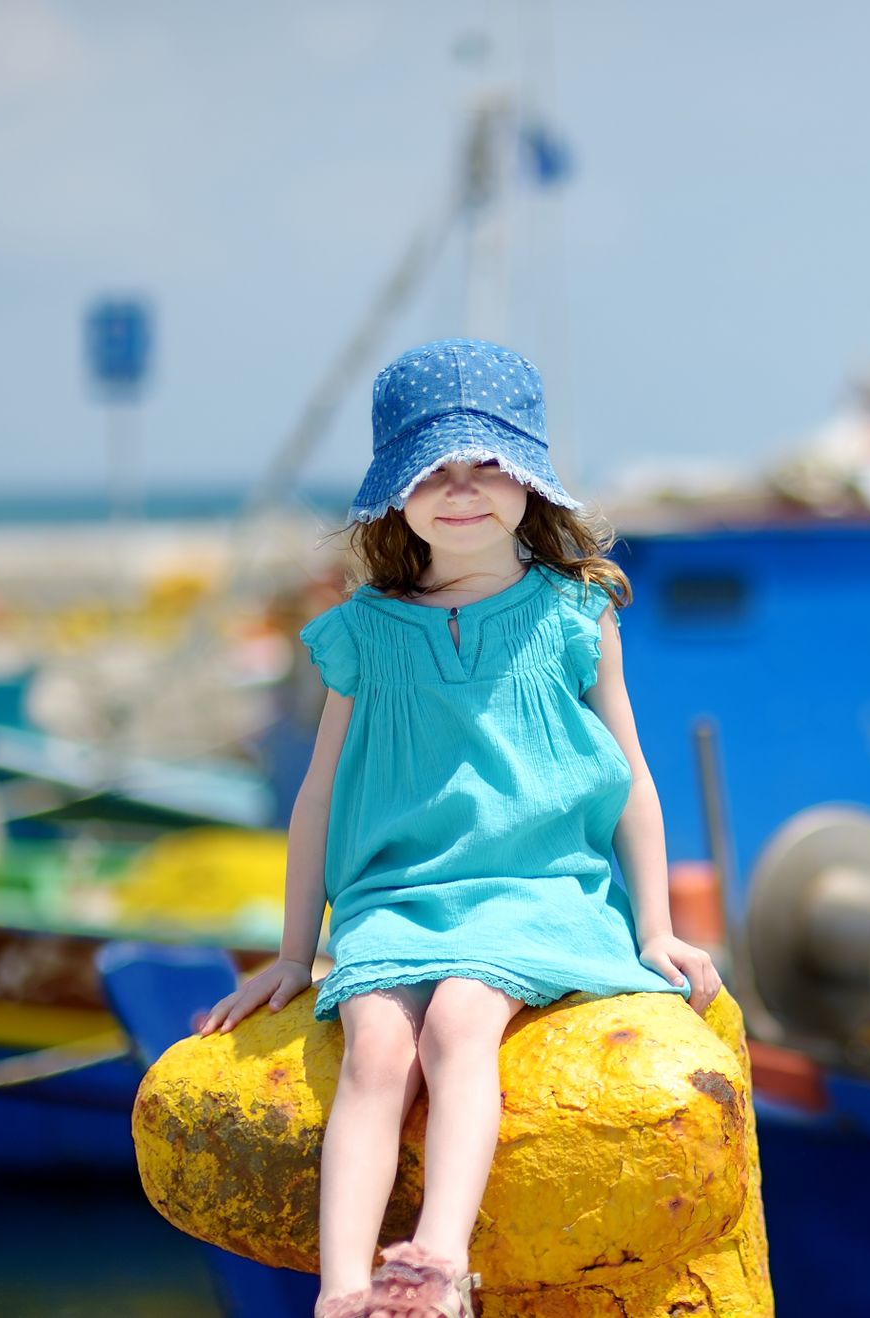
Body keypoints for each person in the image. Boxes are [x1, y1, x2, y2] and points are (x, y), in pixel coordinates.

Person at [198, 338, 722, 1318]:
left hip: (535, 890)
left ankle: (435, 1261)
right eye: (432, 468)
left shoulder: (574, 613)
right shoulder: (362, 629)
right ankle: (346, 1288)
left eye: (488, 464)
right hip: (397, 898)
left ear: (529, 476)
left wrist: (652, 927)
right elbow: (315, 794)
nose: (462, 488)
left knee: (457, 1021)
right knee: (374, 1048)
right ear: (395, 488)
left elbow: (630, 779)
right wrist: (289, 952)